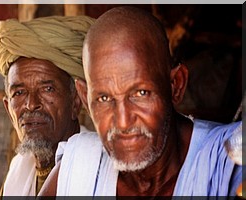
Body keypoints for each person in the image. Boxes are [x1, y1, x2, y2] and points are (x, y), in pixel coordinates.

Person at [40, 6, 242, 197]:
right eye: (103, 98)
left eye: (140, 93)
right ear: (85, 98)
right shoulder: (76, 168)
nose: (123, 122)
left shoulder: (229, 161)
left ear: (175, 85)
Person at [0, 15, 95, 196]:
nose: (31, 105)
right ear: (8, 109)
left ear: (76, 101)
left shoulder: (98, 168)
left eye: (47, 89)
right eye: (19, 93)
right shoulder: (16, 173)